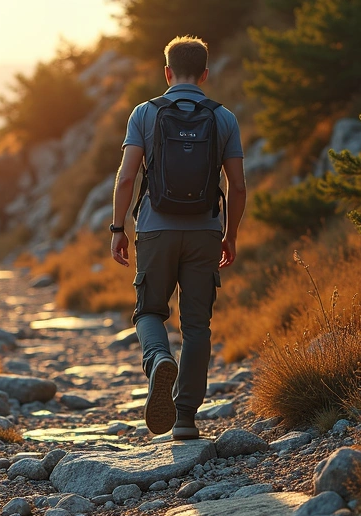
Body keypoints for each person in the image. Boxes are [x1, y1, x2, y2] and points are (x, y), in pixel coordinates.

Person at [109, 35, 247, 440]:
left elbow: (127, 178)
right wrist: (230, 236)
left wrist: (118, 228)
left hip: (155, 229)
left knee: (150, 312)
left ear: (167, 72)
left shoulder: (144, 113)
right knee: (197, 325)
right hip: (205, 231)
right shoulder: (224, 118)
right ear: (205, 74)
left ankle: (157, 361)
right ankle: (185, 418)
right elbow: (237, 186)